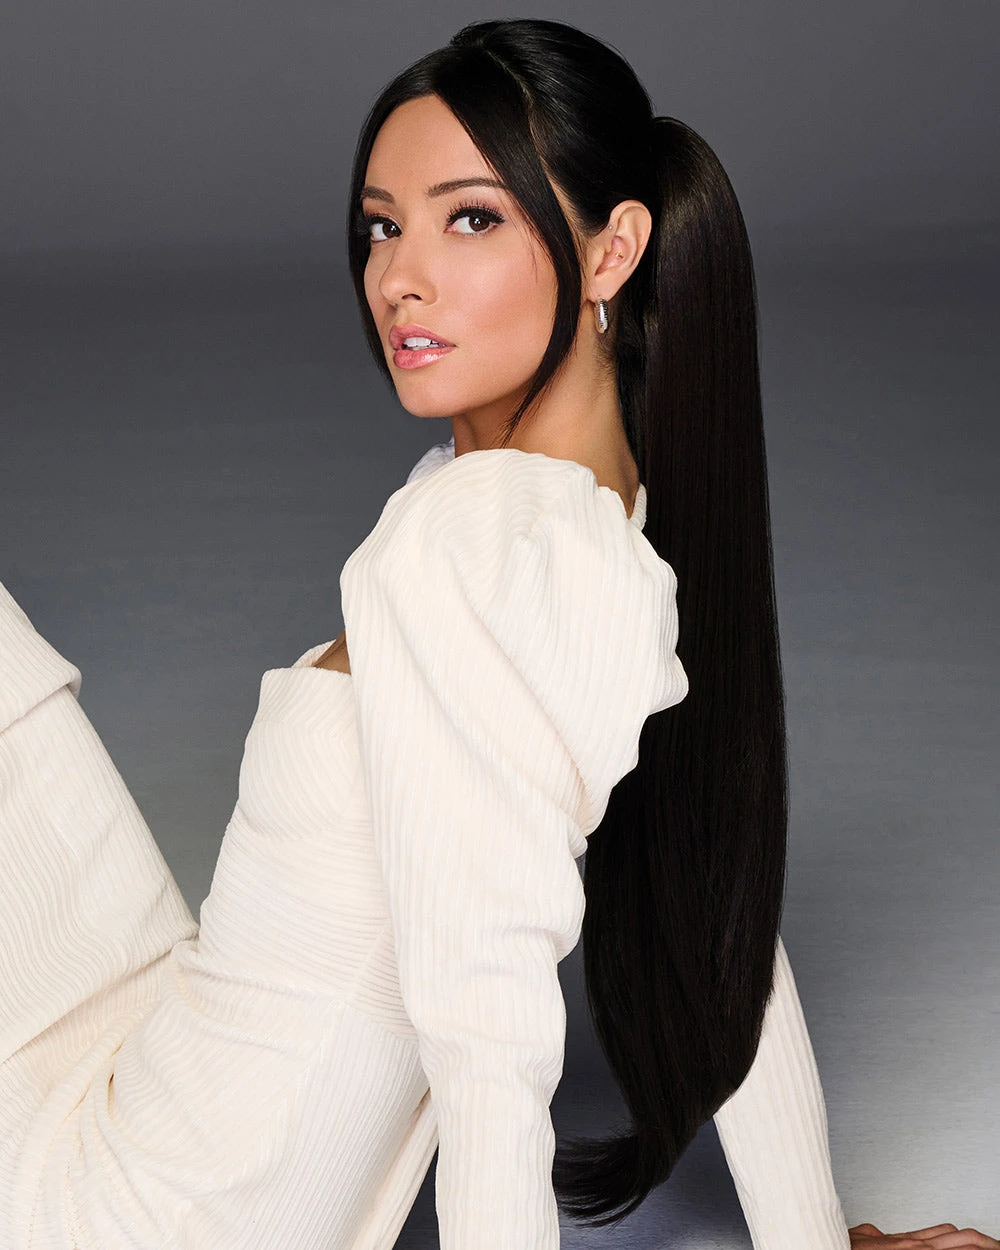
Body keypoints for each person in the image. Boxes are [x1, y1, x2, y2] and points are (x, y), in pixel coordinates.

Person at [0, 17, 994, 1250]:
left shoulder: (472, 543)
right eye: (381, 226)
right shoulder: (598, 530)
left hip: (135, 1208)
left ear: (612, 249)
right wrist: (810, 1233)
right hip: (145, 1071)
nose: (398, 278)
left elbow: (489, 1032)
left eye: (470, 219)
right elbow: (720, 915)